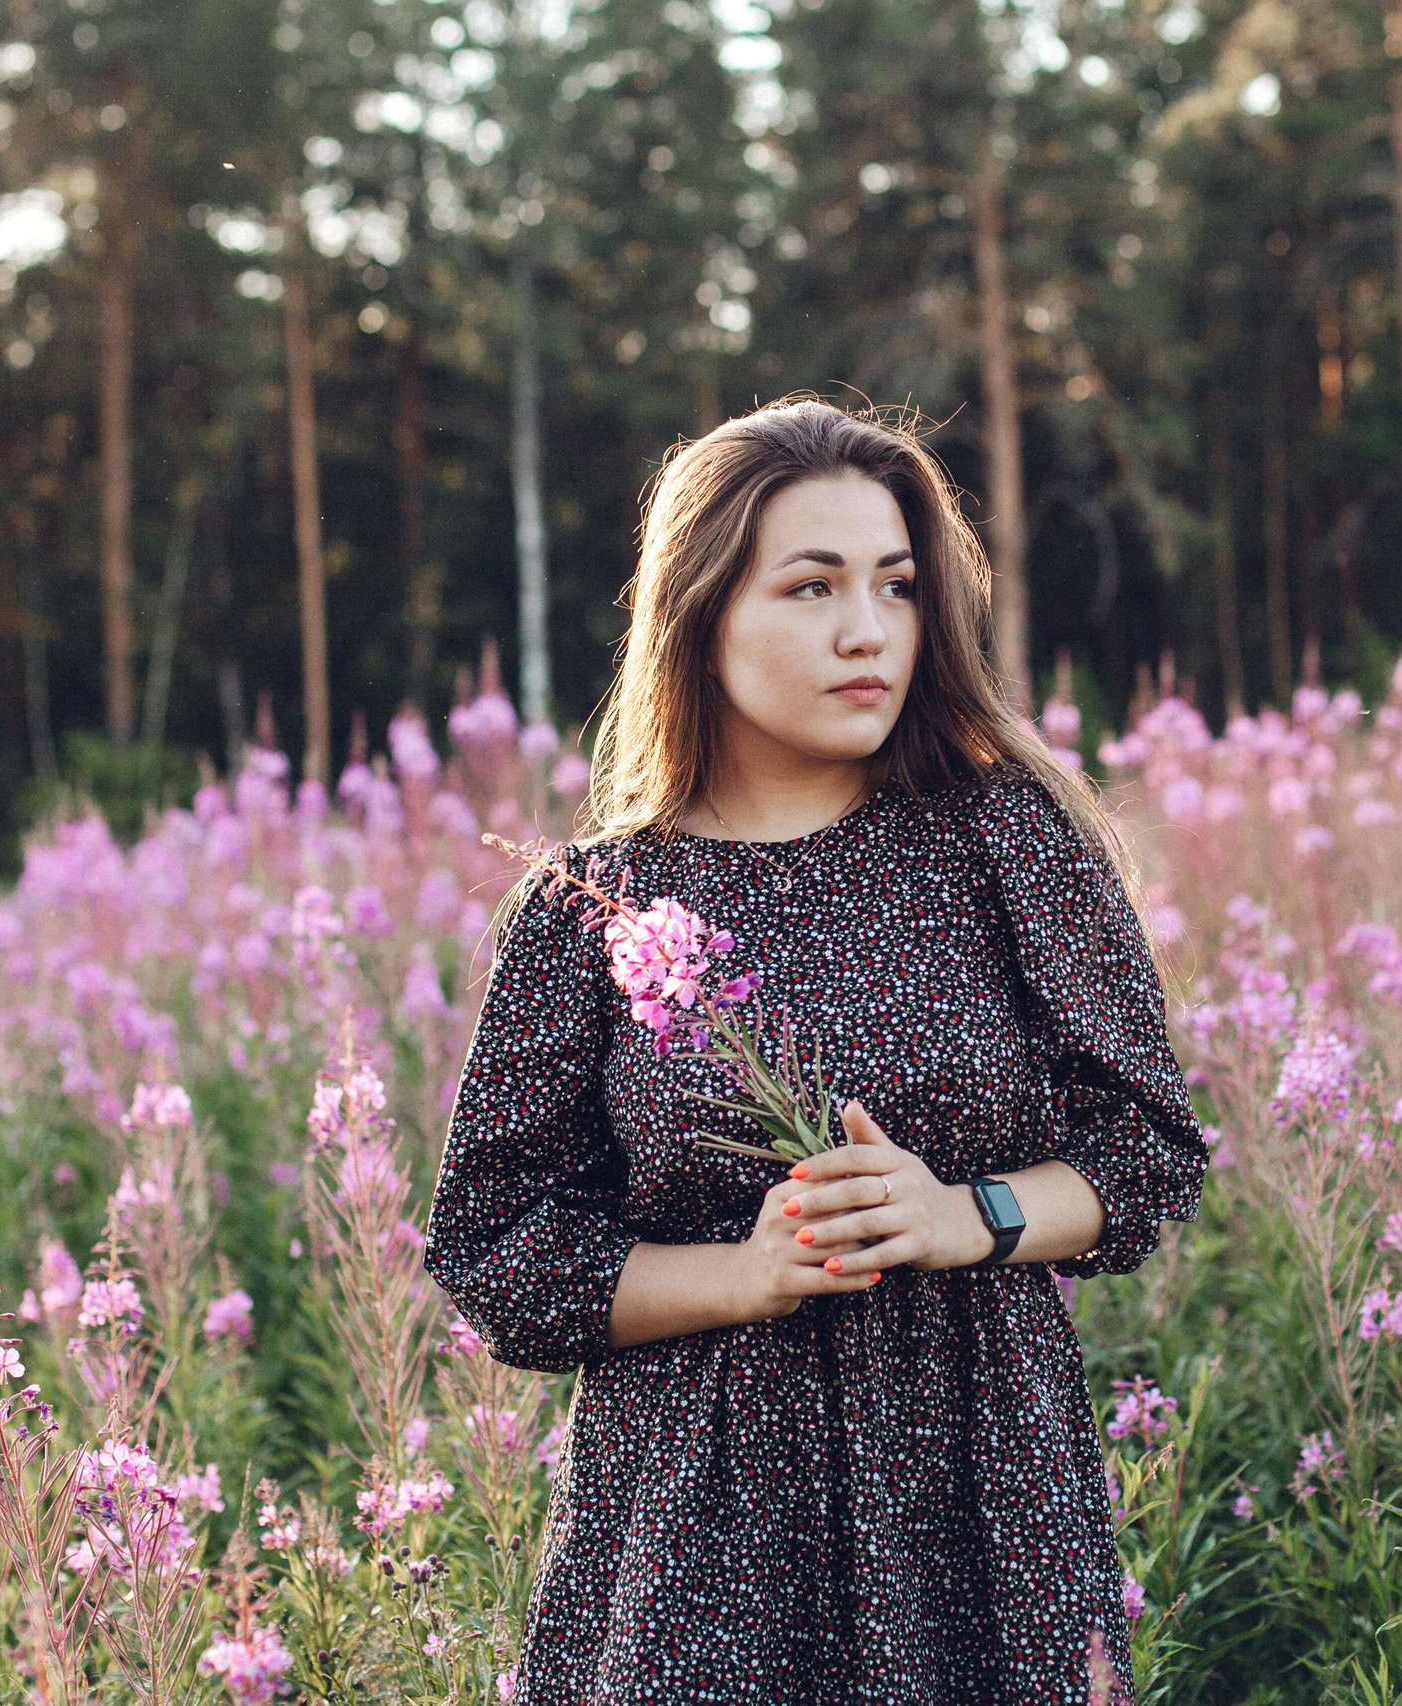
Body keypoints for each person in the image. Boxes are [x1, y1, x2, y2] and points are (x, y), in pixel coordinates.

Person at [425, 397, 1205, 1704]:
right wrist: (748, 1272)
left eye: (897, 585)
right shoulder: (598, 908)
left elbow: (1148, 1154)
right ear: (702, 610)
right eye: (811, 584)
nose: (867, 629)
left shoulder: (1005, 844)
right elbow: (499, 1249)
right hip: (694, 1520)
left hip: (978, 1494)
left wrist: (968, 1214)